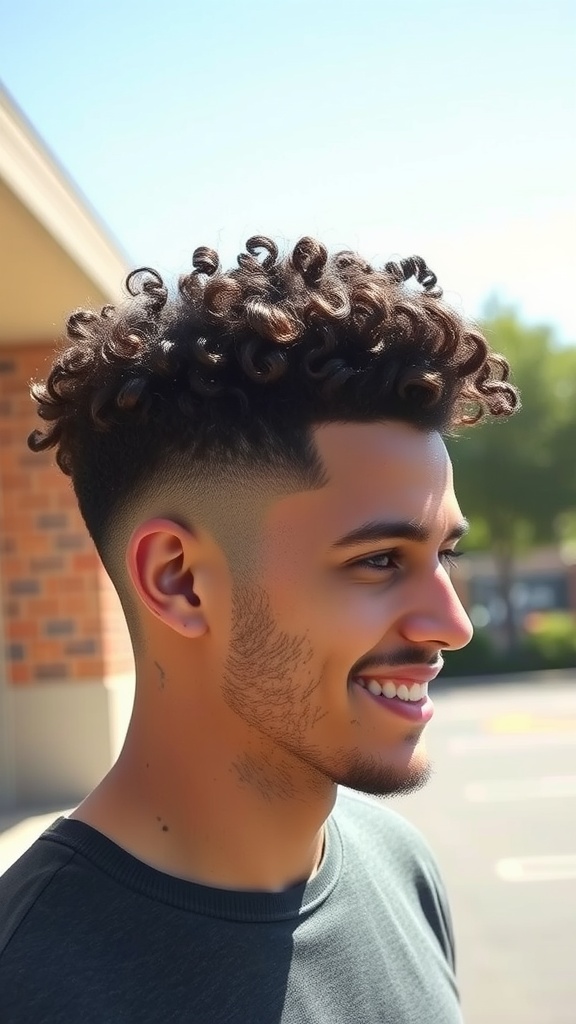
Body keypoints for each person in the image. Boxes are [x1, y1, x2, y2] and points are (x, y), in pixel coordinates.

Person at [0, 235, 518, 1022]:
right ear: (178, 580)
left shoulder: (401, 867)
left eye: (444, 554)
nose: (451, 625)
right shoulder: (31, 982)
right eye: (380, 560)